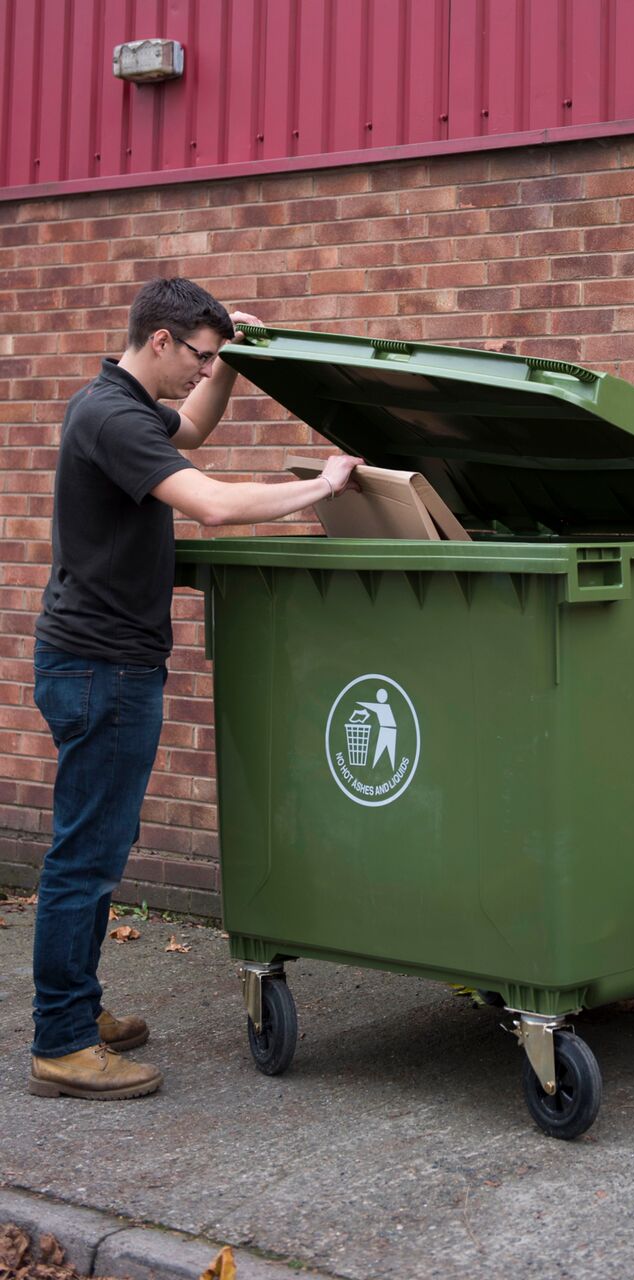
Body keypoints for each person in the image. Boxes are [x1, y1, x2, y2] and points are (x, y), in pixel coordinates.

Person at [30, 277, 361, 1101]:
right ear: (161, 340)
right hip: (100, 667)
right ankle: (63, 1041)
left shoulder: (127, 408)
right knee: (87, 858)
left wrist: (234, 367)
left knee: (96, 849)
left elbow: (195, 432)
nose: (201, 371)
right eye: (200, 357)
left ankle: (74, 1009)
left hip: (102, 661)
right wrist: (318, 488)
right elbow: (210, 504)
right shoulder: (111, 416)